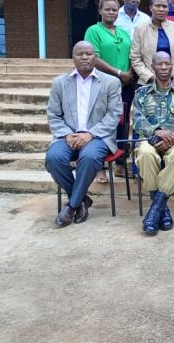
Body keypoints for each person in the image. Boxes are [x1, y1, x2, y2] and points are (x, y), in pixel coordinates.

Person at [45, 41, 122, 227]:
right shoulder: (60, 83)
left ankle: (71, 206)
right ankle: (81, 200)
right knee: (53, 158)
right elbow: (53, 114)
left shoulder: (110, 82)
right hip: (68, 136)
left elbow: (114, 115)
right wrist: (65, 134)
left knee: (89, 157)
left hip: (98, 137)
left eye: (89, 53)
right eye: (80, 54)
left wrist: (91, 134)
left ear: (95, 57)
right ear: (73, 57)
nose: (85, 57)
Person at [133, 51, 174, 235]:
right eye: (159, 64)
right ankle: (162, 210)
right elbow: (137, 120)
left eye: (167, 64)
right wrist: (156, 132)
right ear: (152, 67)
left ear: (172, 66)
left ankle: (154, 211)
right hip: (149, 139)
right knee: (145, 153)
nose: (163, 67)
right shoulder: (142, 93)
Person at [84, 0, 134, 179]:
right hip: (102, 85)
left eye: (114, 10)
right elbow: (93, 58)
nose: (111, 12)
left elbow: (131, 55)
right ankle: (100, 166)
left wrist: (128, 74)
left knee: (123, 123)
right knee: (102, 123)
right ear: (100, 11)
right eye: (107, 9)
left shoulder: (122, 32)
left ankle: (120, 163)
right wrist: (119, 73)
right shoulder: (93, 31)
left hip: (125, 85)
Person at [130, 0, 174, 87]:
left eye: (164, 6)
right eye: (157, 6)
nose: (161, 9)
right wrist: (150, 77)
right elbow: (135, 57)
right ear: (150, 7)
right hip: (148, 83)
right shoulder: (140, 29)